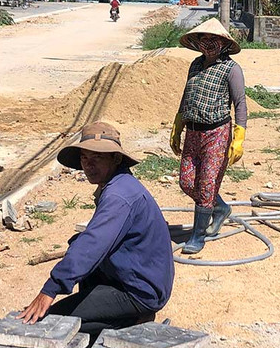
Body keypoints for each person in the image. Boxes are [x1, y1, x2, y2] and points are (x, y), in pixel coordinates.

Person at [19, 122, 175, 336]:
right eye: (85, 158)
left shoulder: (120, 195)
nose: (88, 166)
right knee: (76, 242)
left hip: (140, 291)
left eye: (98, 158)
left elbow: (93, 243)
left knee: (55, 324)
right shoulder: (117, 184)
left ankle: (133, 323)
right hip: (135, 279)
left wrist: (50, 289)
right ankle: (120, 315)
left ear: (116, 159)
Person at [169, 18, 247, 255]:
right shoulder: (195, 65)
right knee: (186, 181)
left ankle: (198, 235)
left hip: (217, 133)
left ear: (224, 43)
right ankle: (220, 208)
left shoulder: (231, 69)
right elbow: (186, 95)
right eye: (204, 40)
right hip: (193, 132)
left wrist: (239, 135)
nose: (209, 44)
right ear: (198, 43)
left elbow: (240, 103)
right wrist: (178, 124)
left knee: (206, 185)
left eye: (214, 40)